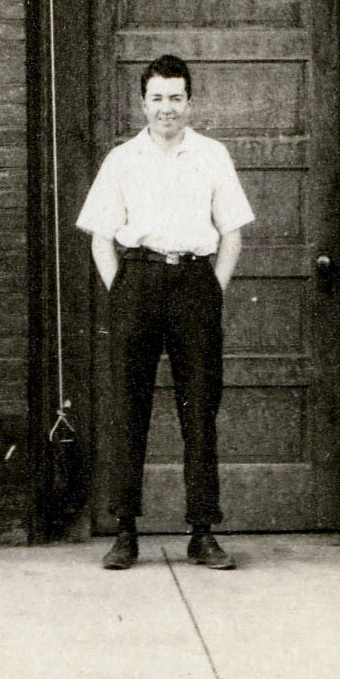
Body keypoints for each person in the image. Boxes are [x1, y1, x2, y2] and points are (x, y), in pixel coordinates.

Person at [77, 52, 254, 570]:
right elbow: (101, 237)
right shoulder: (122, 159)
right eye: (157, 98)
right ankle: (124, 530)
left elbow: (233, 232)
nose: (167, 108)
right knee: (127, 410)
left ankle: (202, 532)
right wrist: (122, 291)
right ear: (143, 102)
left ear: (190, 101)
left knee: (199, 412)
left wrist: (212, 289)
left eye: (176, 97)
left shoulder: (213, 155)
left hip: (195, 283)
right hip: (138, 282)